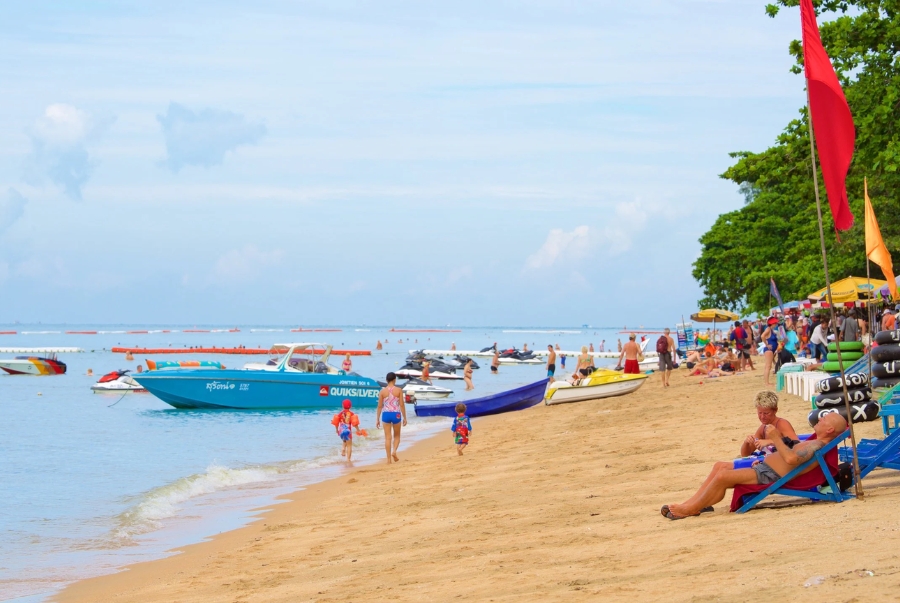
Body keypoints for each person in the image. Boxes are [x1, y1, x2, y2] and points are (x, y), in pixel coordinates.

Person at [660, 412, 847, 519]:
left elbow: (790, 459)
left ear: (830, 429)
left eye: (824, 420)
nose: (820, 419)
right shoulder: (815, 442)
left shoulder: (817, 445)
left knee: (723, 477)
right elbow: (789, 456)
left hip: (770, 476)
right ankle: (693, 504)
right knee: (720, 466)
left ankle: (689, 509)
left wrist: (774, 438)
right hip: (765, 468)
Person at [739, 391, 798, 458]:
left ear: (775, 410)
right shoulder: (763, 428)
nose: (762, 417)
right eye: (760, 413)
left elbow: (796, 445)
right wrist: (746, 443)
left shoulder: (782, 424)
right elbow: (745, 455)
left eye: (766, 413)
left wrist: (770, 442)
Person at [376, 372, 407, 464]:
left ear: (386, 380)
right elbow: (401, 404)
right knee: (397, 436)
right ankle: (394, 452)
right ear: (394, 380)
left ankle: (388, 460)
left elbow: (379, 406)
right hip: (396, 414)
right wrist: (405, 417)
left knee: (387, 438)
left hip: (385, 414)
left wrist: (377, 419)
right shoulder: (399, 390)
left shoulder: (382, 391)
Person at [761, 316, 778, 387]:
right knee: (768, 366)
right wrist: (766, 344)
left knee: (769, 366)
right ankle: (767, 383)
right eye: (775, 323)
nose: (776, 324)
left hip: (771, 350)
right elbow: (762, 336)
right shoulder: (768, 329)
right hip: (769, 350)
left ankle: (767, 382)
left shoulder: (772, 330)